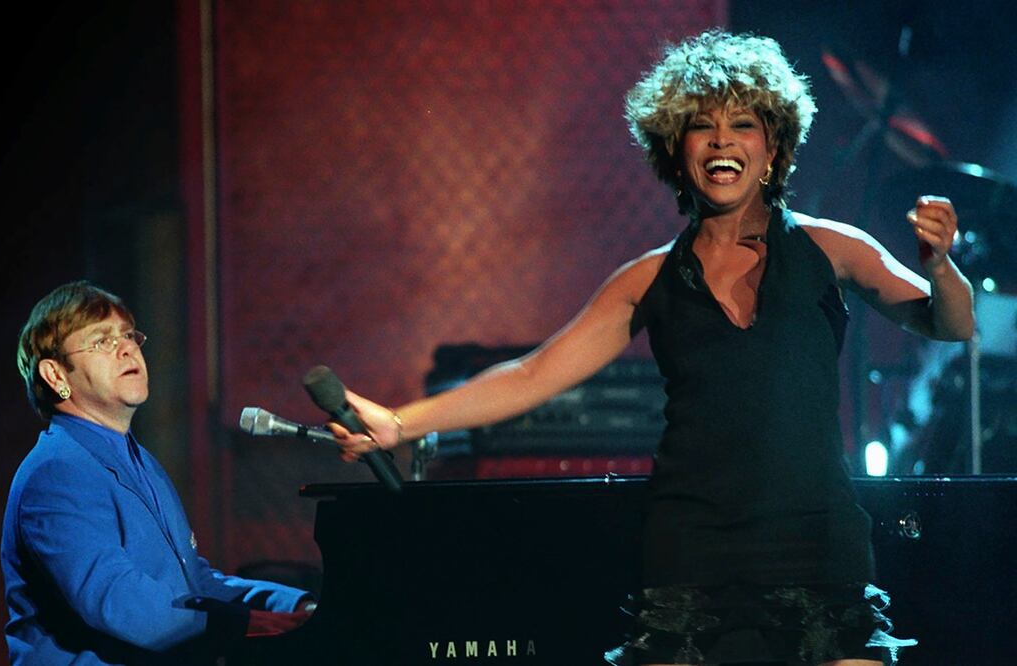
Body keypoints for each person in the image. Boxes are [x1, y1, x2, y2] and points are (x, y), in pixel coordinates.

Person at [326, 30, 974, 666]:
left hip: (816, 542)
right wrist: (398, 423)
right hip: (692, 551)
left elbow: (951, 323)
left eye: (742, 123)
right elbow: (531, 375)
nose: (722, 139)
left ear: (772, 149)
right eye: (702, 125)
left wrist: (942, 266)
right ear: (676, 149)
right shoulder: (647, 279)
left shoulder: (835, 249)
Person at [2, 281, 314, 665]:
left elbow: (192, 582)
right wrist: (245, 623)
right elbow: (118, 601)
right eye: (101, 341)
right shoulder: (56, 473)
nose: (127, 347)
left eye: (128, 335)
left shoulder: (141, 461)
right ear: (56, 375)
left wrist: (294, 604)